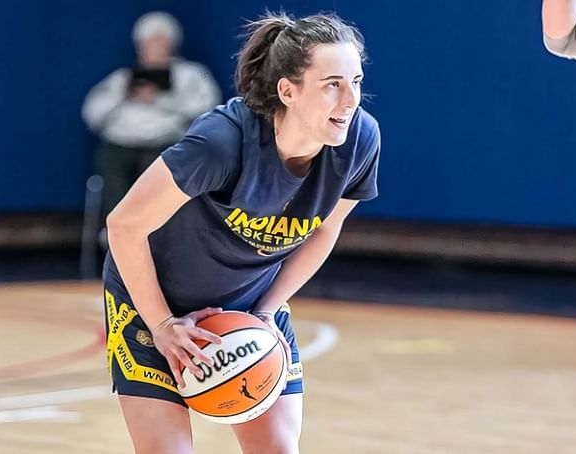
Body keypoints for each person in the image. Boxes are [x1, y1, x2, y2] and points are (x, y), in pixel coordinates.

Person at [103, 10, 380, 454]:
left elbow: (326, 230)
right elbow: (123, 224)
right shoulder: (222, 143)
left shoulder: (359, 140)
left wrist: (267, 311)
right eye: (333, 84)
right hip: (154, 301)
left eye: (357, 81)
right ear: (288, 91)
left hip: (250, 303)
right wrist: (161, 324)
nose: (350, 99)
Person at [82, 12, 221, 223]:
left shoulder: (193, 73)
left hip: (167, 143)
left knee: (159, 170)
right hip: (120, 144)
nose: (153, 49)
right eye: (148, 44)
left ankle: (156, 230)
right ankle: (114, 229)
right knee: (111, 164)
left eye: (160, 43)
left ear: (172, 44)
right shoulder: (123, 77)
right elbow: (92, 114)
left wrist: (159, 99)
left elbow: (208, 108)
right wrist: (124, 93)